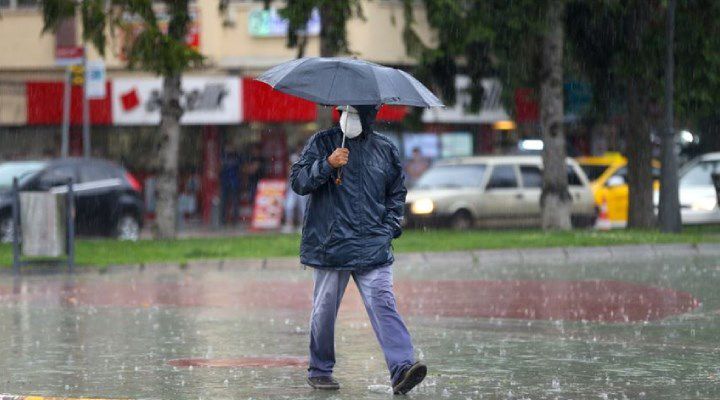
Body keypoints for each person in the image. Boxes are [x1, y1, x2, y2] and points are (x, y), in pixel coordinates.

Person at [290, 105, 426, 395]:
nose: (348, 117)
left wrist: (389, 228)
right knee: (323, 311)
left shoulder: (385, 149)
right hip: (330, 246)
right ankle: (320, 370)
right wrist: (327, 164)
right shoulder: (321, 143)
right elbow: (299, 182)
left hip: (372, 246)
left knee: (383, 303)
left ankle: (402, 367)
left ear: (369, 115)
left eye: (356, 112)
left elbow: (396, 193)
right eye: (344, 111)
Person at [282, 144, 308, 233]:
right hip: (292, 186)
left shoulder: (306, 157)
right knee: (289, 205)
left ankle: (303, 225)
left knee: (303, 207)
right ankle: (289, 224)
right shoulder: (293, 157)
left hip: (302, 186)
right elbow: (288, 170)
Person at [220, 149, 241, 225]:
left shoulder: (235, 157)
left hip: (232, 182)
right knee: (225, 202)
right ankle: (224, 219)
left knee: (233, 201)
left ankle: (233, 219)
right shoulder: (224, 157)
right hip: (228, 182)